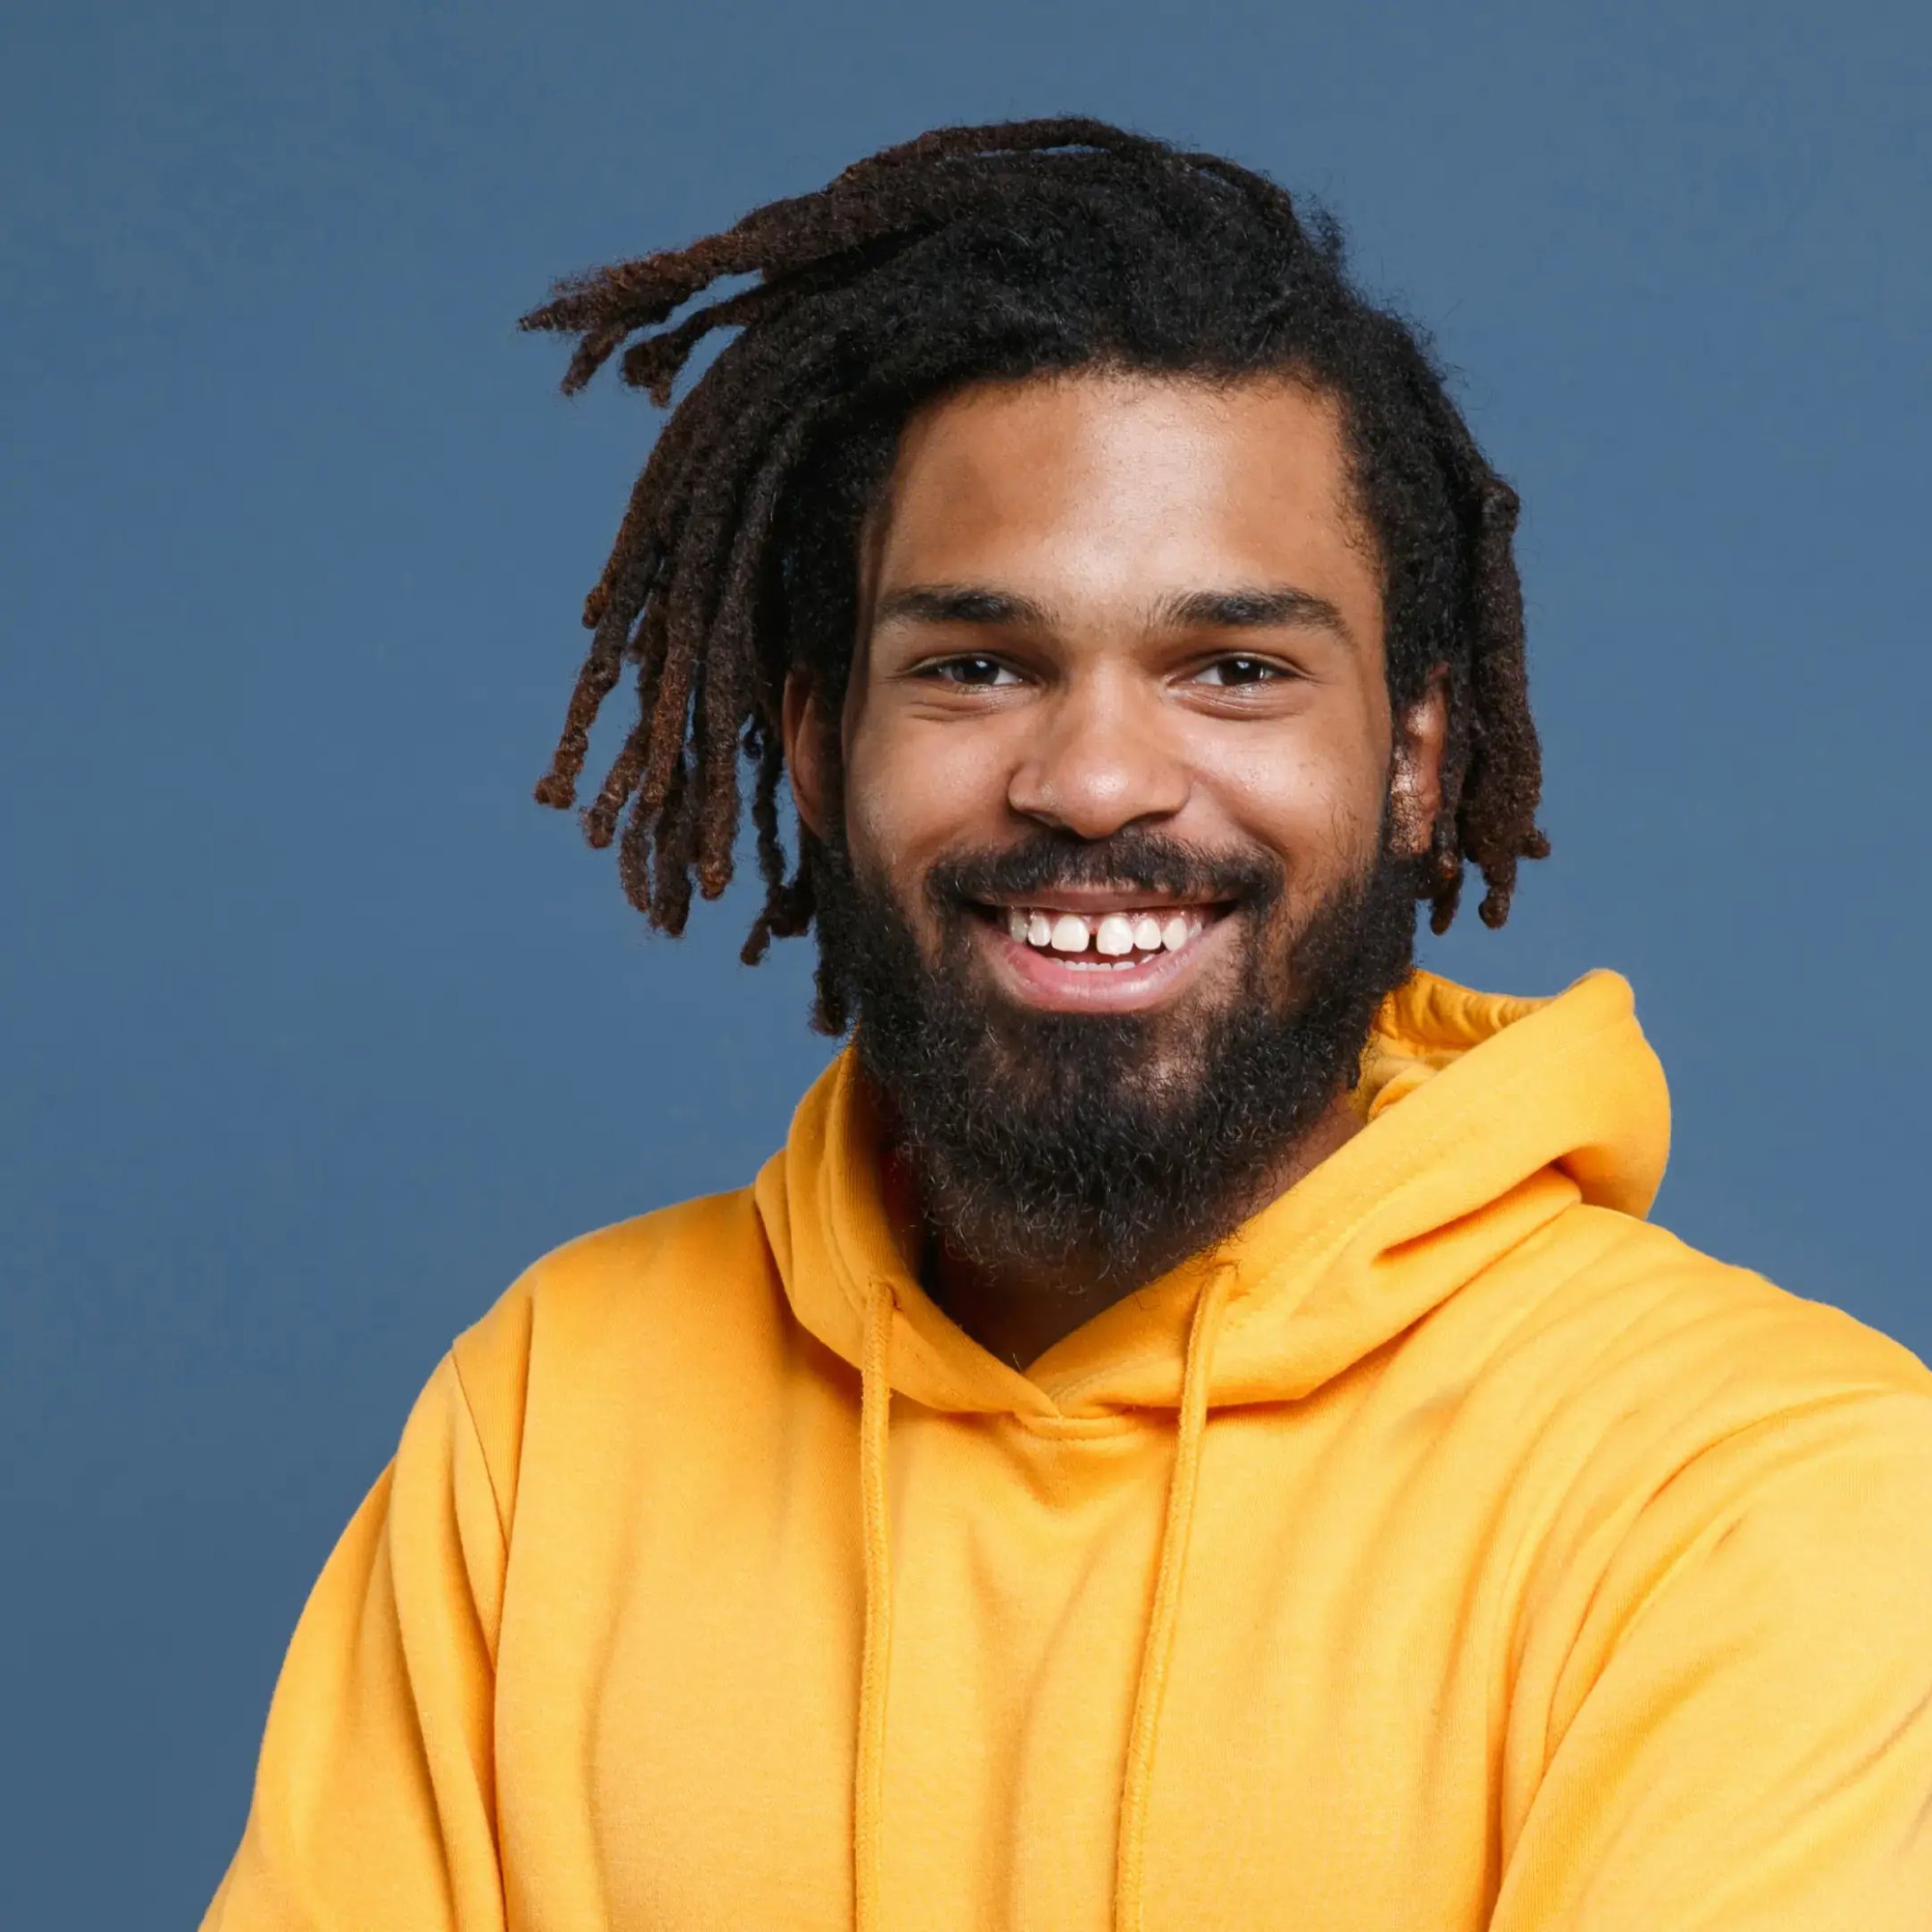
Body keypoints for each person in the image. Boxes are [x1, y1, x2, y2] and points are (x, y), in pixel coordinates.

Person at [201, 118, 1932, 1930]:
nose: (1096, 780)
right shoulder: (552, 1416)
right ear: (820, 750)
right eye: (977, 666)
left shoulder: (1756, 1484)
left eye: (1235, 671)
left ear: (1416, 763)